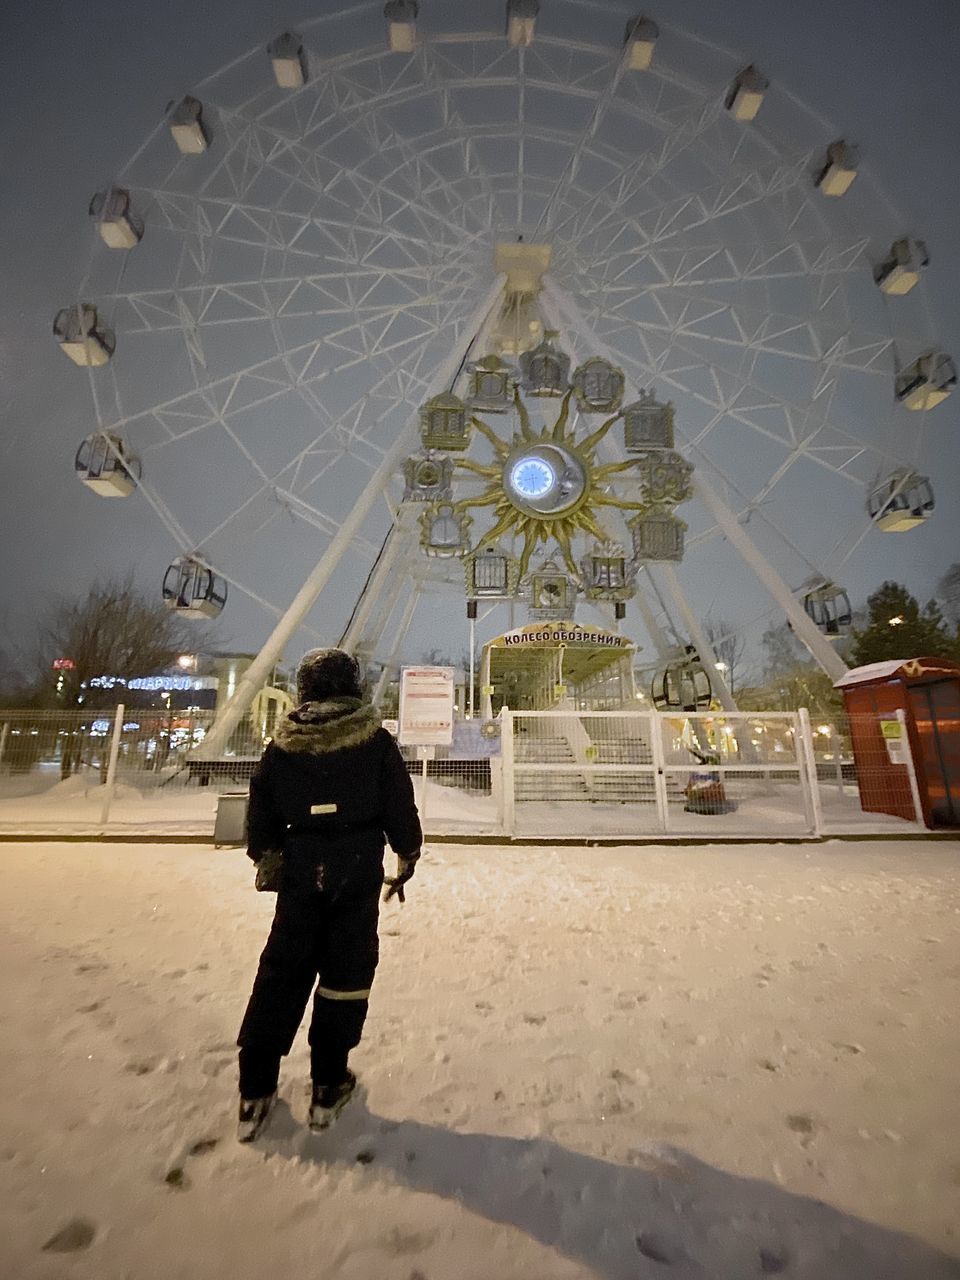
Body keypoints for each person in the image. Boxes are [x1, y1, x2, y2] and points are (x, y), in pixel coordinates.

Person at [236, 647, 421, 1142]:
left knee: (281, 970)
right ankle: (328, 1084)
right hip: (357, 864)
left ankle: (254, 1089)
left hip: (301, 866)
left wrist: (269, 857)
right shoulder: (374, 741)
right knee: (347, 971)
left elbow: (261, 811)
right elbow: (398, 804)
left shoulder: (283, 745)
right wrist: (407, 853)